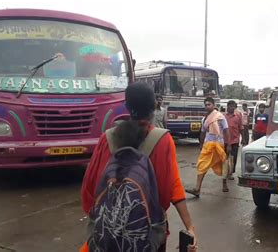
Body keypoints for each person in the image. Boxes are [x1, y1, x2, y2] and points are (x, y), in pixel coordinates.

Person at [80, 82, 196, 252]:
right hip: (145, 237)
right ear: (155, 106)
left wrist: (109, 218)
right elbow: (169, 189)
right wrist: (190, 226)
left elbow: (89, 190)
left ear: (127, 106)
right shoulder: (163, 140)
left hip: (107, 237)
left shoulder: (107, 138)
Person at [186, 97, 231, 196]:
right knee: (202, 165)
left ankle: (224, 184)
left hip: (219, 144)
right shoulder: (204, 119)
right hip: (208, 145)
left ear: (214, 105)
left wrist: (229, 144)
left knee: (223, 164)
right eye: (205, 105)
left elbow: (226, 131)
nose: (207, 106)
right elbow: (202, 132)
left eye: (209, 104)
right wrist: (201, 144)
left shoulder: (220, 117)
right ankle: (197, 189)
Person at [224, 100, 243, 179]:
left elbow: (240, 127)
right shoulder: (223, 116)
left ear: (235, 108)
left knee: (233, 158)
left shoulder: (238, 116)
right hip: (225, 141)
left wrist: (244, 139)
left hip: (235, 140)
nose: (231, 108)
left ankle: (230, 173)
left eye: (233, 106)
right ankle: (225, 172)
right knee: (225, 158)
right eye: (230, 106)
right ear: (227, 107)